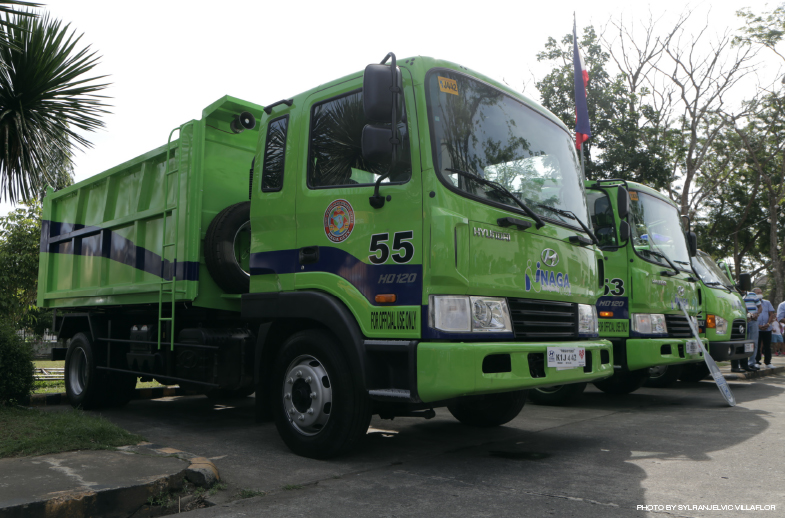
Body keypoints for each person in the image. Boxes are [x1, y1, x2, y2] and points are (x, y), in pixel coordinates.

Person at [733, 290, 761, 373]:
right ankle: (739, 365)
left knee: (753, 342)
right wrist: (748, 314)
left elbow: (760, 307)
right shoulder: (734, 294)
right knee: (742, 343)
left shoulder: (752, 294)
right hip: (741, 321)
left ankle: (751, 363)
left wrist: (756, 314)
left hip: (753, 321)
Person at [754, 287, 776, 369]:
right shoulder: (752, 303)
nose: (760, 294)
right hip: (757, 328)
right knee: (757, 345)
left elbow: (771, 314)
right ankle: (756, 361)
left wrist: (768, 323)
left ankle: (768, 362)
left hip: (767, 328)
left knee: (767, 346)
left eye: (760, 292)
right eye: (757, 293)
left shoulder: (767, 302)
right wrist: (758, 325)